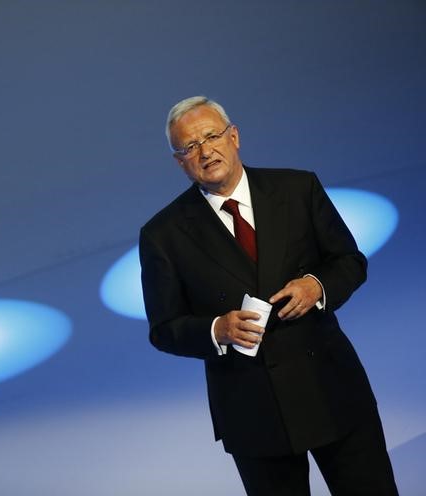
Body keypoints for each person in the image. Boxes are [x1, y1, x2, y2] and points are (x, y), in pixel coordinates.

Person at [138, 96, 398, 495]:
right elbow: (164, 328)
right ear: (180, 162)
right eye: (189, 147)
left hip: (331, 389)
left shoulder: (296, 188)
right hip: (252, 410)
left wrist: (317, 286)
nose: (205, 151)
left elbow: (349, 261)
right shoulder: (163, 235)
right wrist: (216, 330)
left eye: (212, 136)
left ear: (235, 136)